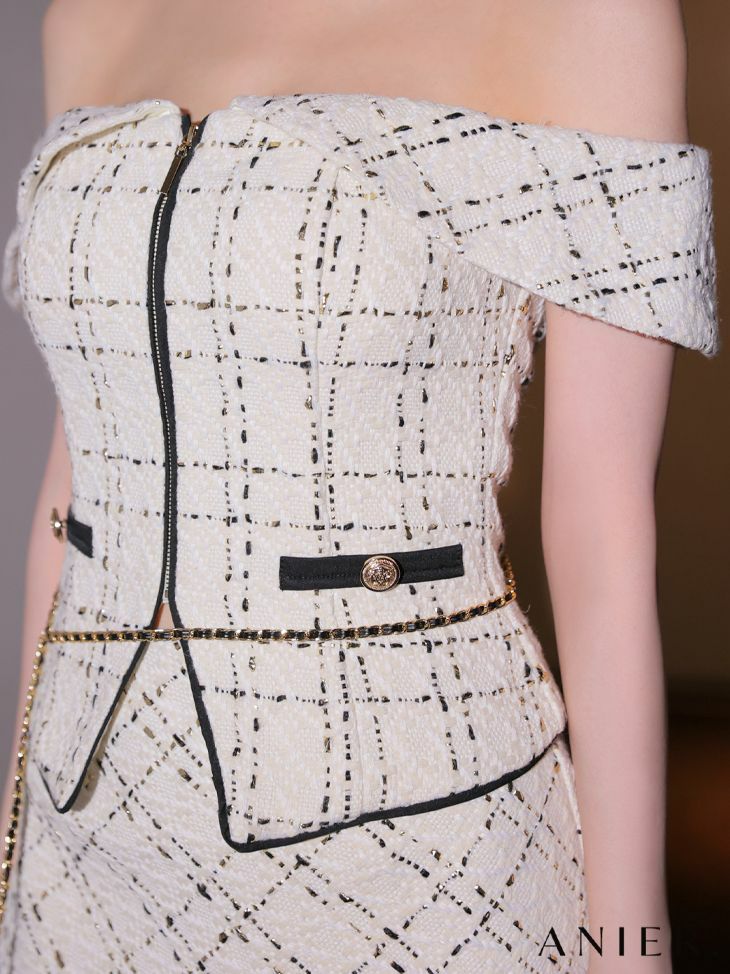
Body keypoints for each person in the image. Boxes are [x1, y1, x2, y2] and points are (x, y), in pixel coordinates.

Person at [0, 1, 720, 971]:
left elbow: (602, 535)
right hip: (85, 836)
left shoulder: (587, 19)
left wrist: (629, 941)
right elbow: (77, 495)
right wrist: (14, 834)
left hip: (420, 849)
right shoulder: (91, 17)